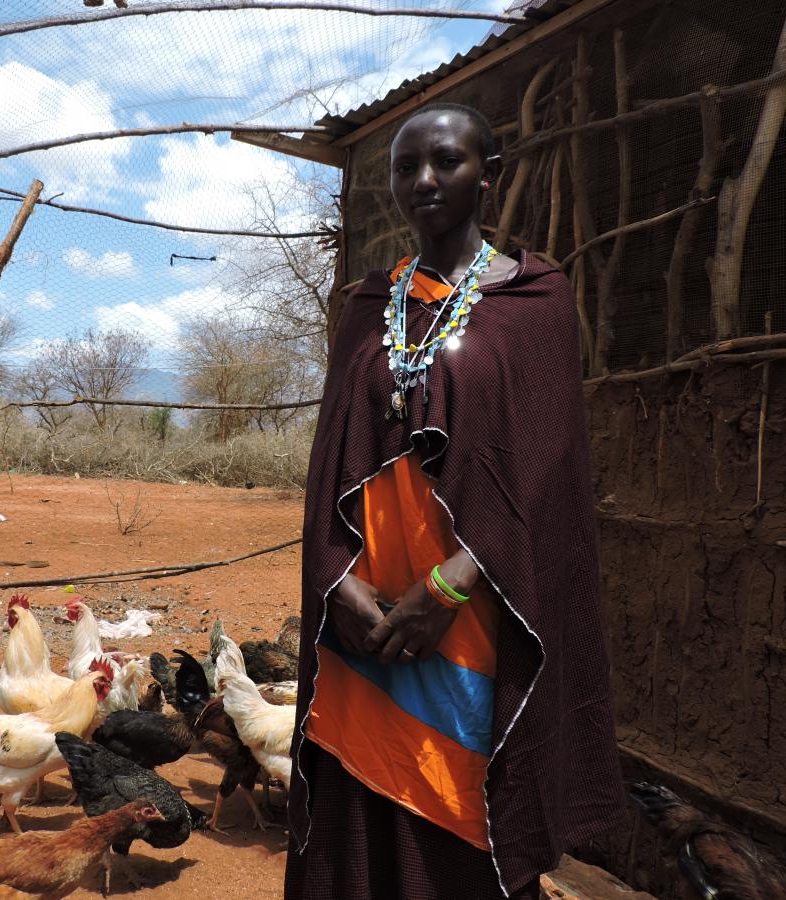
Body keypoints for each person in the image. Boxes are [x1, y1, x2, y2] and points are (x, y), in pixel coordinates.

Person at [285, 103, 624, 899]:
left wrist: (446, 588)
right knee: (361, 812)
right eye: (407, 167)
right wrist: (339, 586)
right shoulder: (367, 308)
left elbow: (545, 475)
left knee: (468, 808)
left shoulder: (534, 303)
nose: (424, 180)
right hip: (366, 618)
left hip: (471, 610)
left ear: (489, 175)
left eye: (446, 161)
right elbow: (329, 462)